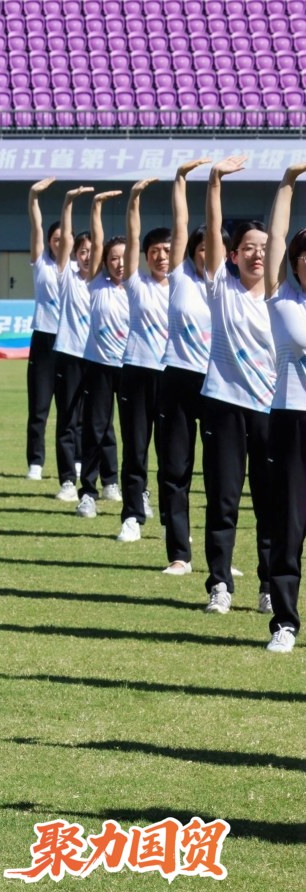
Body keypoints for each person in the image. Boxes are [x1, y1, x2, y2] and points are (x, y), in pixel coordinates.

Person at [199, 155, 277, 615]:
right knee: (223, 500)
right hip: (223, 405)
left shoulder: (281, 297)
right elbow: (212, 227)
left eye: (264, 247)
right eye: (248, 247)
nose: (257, 254)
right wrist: (214, 181)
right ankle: (220, 584)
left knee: (270, 501)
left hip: (270, 410)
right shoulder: (220, 289)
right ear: (233, 255)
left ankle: (269, 584)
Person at [156, 159, 215, 576]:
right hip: (177, 378)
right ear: (192, 252)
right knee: (175, 471)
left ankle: (218, 558)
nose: (208, 254)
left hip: (218, 385)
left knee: (219, 477)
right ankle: (180, 554)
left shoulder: (231, 287)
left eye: (216, 247)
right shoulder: (180, 278)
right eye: (202, 247)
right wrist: (180, 179)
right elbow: (181, 223)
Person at [264, 161, 306, 653]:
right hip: (292, 420)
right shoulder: (283, 300)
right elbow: (276, 237)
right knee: (289, 526)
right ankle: (285, 623)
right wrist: (288, 182)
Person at [115, 178, 171, 544]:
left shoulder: (187, 287)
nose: (161, 256)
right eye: (155, 251)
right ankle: (132, 516)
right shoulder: (136, 283)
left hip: (172, 377)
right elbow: (132, 236)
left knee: (171, 455)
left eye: (167, 250)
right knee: (135, 450)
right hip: (136, 372)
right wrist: (134, 199)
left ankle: (171, 520)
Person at [74, 190, 128, 519]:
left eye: (125, 257)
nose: (119, 263)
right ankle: (88, 493)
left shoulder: (140, 286)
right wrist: (96, 207)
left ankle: (126, 488)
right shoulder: (97, 284)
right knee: (95, 429)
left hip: (133, 368)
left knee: (135, 436)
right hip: (99, 367)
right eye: (113, 258)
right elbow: (97, 242)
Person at [48, 188, 97, 503]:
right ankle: (67, 480)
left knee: (96, 422)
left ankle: (104, 479)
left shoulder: (106, 283)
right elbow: (64, 239)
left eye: (92, 250)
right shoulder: (68, 277)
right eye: (82, 251)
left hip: (98, 358)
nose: (87, 255)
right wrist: (68, 203)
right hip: (69, 354)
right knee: (67, 418)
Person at [24, 178, 62, 480]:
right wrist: (34, 198)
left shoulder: (79, 270)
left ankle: (75, 461)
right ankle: (35, 463)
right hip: (44, 339)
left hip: (73, 343)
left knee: (72, 408)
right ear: (49, 242)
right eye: (56, 239)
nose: (60, 243)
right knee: (39, 407)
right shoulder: (42, 265)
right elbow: (36, 228)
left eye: (66, 239)